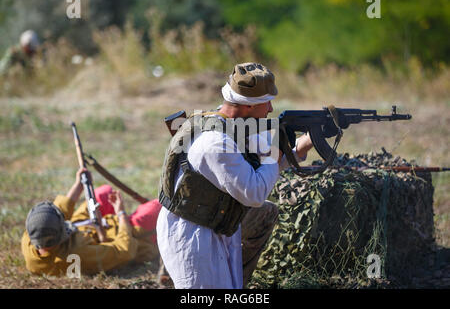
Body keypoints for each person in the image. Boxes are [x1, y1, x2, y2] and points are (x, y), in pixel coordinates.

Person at [157, 62, 314, 288]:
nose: (270, 109)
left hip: (215, 220)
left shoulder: (233, 126)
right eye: (266, 103)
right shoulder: (215, 143)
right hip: (191, 235)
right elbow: (255, 192)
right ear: (249, 106)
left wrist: (309, 140)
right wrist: (275, 148)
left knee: (266, 213)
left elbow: (270, 160)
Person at [21, 167, 161, 276]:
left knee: (103, 193)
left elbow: (56, 214)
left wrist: (79, 185)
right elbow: (124, 251)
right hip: (121, 236)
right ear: (61, 232)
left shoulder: (32, 239)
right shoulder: (78, 255)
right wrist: (121, 213)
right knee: (157, 208)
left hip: (82, 226)